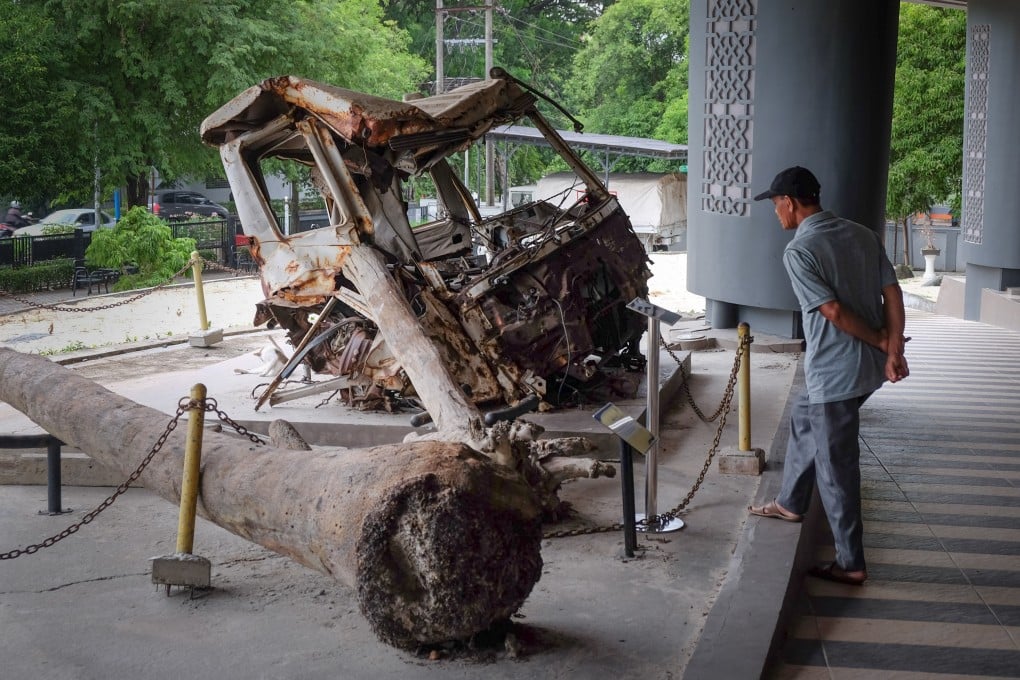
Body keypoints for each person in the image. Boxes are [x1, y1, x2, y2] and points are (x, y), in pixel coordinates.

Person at [747, 166, 909, 586]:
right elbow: (892, 292)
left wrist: (880, 340)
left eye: (775, 204)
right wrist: (893, 348)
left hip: (835, 372)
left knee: (837, 468)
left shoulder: (799, 251)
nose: (775, 213)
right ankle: (790, 502)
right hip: (865, 371)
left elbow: (832, 311)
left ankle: (851, 562)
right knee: (804, 417)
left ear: (791, 203)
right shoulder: (861, 234)